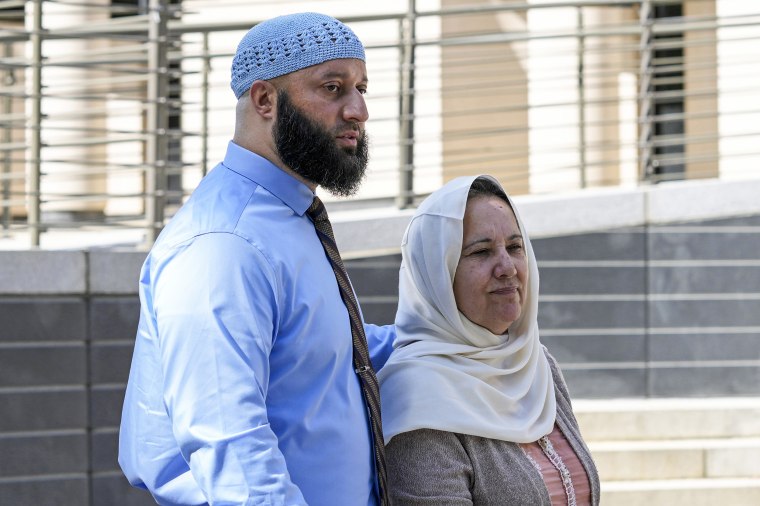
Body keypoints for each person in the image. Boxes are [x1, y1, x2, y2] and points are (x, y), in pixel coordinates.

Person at [118, 12, 395, 506]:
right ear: (265, 99)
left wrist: (453, 335)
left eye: (361, 88)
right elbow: (231, 446)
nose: (358, 110)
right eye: (333, 88)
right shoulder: (225, 243)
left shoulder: (287, 221)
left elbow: (325, 352)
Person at [378, 175, 600, 505]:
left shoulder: (536, 365)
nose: (507, 267)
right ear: (437, 275)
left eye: (514, 247)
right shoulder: (419, 397)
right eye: (481, 251)